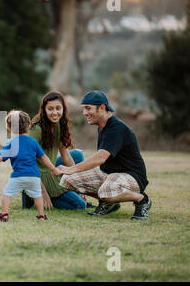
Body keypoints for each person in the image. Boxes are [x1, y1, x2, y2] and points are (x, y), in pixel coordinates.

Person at [57, 91, 152, 220]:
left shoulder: (116, 128)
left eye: (88, 108)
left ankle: (142, 199)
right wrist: (70, 172)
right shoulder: (102, 126)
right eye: (84, 108)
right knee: (67, 180)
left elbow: (100, 158)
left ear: (102, 108)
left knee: (105, 191)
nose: (85, 113)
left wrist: (72, 168)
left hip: (131, 175)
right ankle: (108, 203)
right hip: (109, 173)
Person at [0, 110, 60, 222]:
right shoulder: (33, 142)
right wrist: (53, 169)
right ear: (29, 126)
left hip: (18, 176)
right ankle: (41, 216)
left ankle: (4, 214)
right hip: (34, 176)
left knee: (7, 194)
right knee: (38, 195)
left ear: (9, 127)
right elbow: (44, 158)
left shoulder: (11, 143)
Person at [25, 91, 90, 211]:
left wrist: (78, 186)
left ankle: (63, 193)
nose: (55, 112)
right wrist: (43, 193)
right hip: (35, 175)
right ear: (44, 110)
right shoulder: (36, 129)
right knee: (80, 206)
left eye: (58, 108)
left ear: (63, 109)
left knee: (77, 155)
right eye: (50, 109)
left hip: (49, 167)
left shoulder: (58, 124)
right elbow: (27, 163)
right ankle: (34, 197)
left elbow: (65, 154)